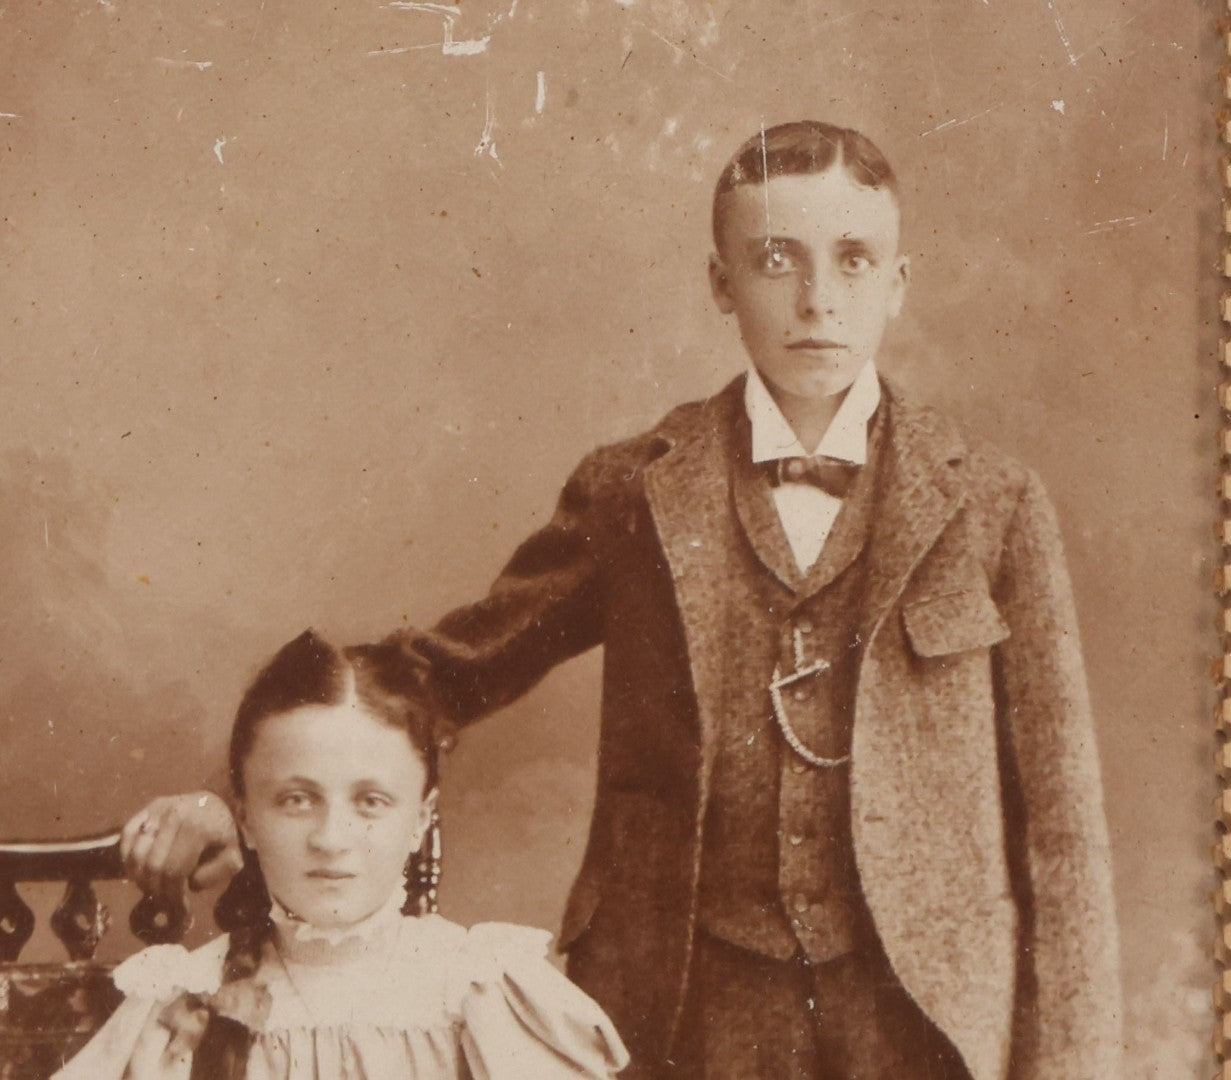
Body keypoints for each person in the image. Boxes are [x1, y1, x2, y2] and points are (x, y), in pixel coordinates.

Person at [122, 121, 1122, 1078]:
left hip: (926, 1006)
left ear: (898, 285)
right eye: (778, 259)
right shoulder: (638, 490)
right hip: (689, 999)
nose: (818, 298)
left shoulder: (991, 501)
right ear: (719, 281)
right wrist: (235, 791)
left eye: (854, 259)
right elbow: (444, 671)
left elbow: (1063, 828)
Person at [60, 630, 628, 1079]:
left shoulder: (477, 991)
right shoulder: (182, 1001)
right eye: (296, 800)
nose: (331, 838)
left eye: (371, 801)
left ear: (420, 820)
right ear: (245, 821)